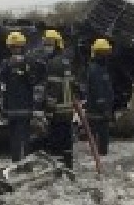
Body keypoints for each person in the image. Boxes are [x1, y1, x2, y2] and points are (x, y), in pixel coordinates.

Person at [0, 31, 44, 163]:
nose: (15, 50)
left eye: (17, 47)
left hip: (24, 106)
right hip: (11, 107)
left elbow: (34, 80)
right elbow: (1, 80)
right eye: (13, 47)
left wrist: (25, 68)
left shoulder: (29, 62)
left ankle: (25, 162)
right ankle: (16, 162)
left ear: (22, 47)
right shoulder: (5, 63)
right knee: (14, 136)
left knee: (24, 136)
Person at [42, 29, 76, 169]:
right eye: (45, 43)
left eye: (49, 43)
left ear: (57, 43)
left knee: (55, 142)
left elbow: (53, 90)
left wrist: (49, 111)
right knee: (66, 140)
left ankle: (58, 168)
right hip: (68, 110)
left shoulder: (54, 63)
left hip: (57, 110)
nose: (46, 46)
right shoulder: (66, 61)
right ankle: (68, 165)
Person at [83, 38, 114, 156]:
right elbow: (98, 91)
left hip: (101, 111)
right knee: (100, 142)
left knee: (102, 142)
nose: (107, 55)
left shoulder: (101, 68)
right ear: (99, 53)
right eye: (105, 52)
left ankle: (100, 155)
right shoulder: (95, 69)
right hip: (98, 112)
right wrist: (104, 108)